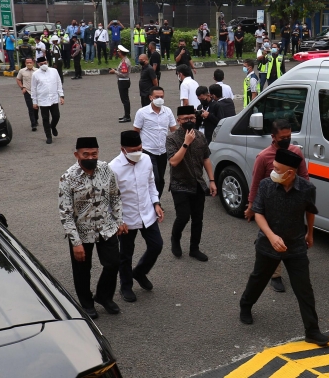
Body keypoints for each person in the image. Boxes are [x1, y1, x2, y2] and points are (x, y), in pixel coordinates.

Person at [238, 149, 329, 347]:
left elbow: (310, 210)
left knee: (304, 288)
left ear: (290, 173)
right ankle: (245, 305)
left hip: (295, 245)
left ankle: (312, 331)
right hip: (268, 244)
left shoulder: (307, 188)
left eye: (278, 169)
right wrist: (271, 237)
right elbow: (258, 213)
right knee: (259, 278)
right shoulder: (266, 185)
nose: (273, 171)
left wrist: (310, 233)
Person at [59, 137, 127, 320]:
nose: (91, 157)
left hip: (106, 227)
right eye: (86, 154)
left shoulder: (106, 169)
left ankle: (104, 297)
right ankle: (87, 303)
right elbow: (65, 213)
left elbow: (115, 196)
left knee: (113, 263)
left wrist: (119, 220)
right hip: (81, 232)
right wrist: (75, 243)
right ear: (77, 155)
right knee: (82, 271)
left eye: (94, 153)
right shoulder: (68, 178)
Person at [244, 119, 309, 292]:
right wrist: (251, 207)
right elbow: (256, 184)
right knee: (272, 239)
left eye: (289, 136)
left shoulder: (295, 152)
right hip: (271, 208)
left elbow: (304, 176)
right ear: (273, 137)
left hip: (292, 206)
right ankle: (275, 274)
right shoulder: (264, 157)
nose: (287, 139)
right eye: (283, 137)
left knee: (289, 238)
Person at [109, 131, 165, 303]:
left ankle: (139, 273)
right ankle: (126, 286)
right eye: (133, 150)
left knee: (157, 245)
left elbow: (150, 183)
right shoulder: (113, 168)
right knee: (126, 254)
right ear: (123, 150)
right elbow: (111, 198)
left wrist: (156, 203)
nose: (138, 153)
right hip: (126, 219)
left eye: (140, 148)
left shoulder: (146, 159)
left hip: (147, 213)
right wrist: (118, 221)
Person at [166, 106, 218, 262]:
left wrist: (212, 180)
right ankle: (175, 238)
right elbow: (174, 161)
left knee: (198, 219)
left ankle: (194, 249)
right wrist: (186, 143)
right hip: (179, 184)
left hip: (198, 183)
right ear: (178, 120)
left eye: (192, 118)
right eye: (186, 119)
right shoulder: (172, 138)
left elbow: (206, 158)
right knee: (183, 217)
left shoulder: (201, 136)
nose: (189, 121)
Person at [133, 86, 177, 198]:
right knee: (154, 178)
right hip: (148, 151)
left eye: (161, 97)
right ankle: (152, 202)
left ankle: (156, 201)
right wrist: (137, 148)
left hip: (163, 151)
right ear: (150, 97)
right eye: (157, 97)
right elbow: (136, 132)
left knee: (161, 179)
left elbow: (174, 130)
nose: (159, 99)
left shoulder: (167, 111)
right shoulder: (142, 112)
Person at [31, 56, 64, 144]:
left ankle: (53, 126)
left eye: (45, 63)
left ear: (47, 62)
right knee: (45, 119)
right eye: (41, 64)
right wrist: (34, 101)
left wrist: (61, 96)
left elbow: (58, 83)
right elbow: (33, 88)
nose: (43, 65)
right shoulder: (35, 74)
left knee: (56, 116)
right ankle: (48, 136)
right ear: (38, 64)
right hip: (42, 100)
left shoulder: (54, 71)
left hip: (53, 98)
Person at [109, 45, 132, 123]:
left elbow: (124, 74)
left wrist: (114, 72)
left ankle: (127, 116)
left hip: (123, 81)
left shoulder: (124, 62)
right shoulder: (124, 60)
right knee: (124, 99)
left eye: (118, 52)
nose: (117, 53)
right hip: (123, 81)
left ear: (121, 53)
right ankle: (126, 115)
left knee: (125, 100)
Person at [16, 58, 39, 132]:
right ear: (25, 63)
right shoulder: (22, 71)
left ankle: (36, 119)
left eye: (30, 62)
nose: (29, 64)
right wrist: (22, 87)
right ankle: (33, 124)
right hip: (27, 92)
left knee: (36, 107)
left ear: (33, 62)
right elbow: (18, 79)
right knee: (30, 108)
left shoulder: (38, 71)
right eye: (27, 62)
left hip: (37, 92)